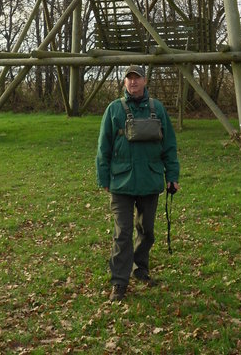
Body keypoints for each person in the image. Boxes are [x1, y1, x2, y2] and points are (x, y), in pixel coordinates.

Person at [96, 65, 180, 302]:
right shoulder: (114, 110)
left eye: (137, 78)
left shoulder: (158, 109)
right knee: (122, 233)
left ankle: (140, 269)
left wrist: (172, 176)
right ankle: (119, 283)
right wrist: (104, 178)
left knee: (147, 231)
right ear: (124, 83)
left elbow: (169, 146)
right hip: (120, 183)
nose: (133, 82)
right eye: (129, 79)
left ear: (145, 81)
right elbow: (103, 148)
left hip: (150, 180)